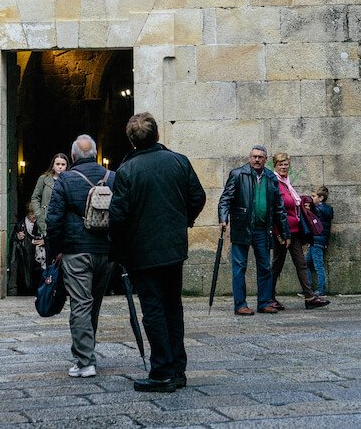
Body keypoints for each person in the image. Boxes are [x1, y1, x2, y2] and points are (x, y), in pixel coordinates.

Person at [109, 112, 206, 393]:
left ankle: (162, 371)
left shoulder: (126, 171)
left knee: (153, 310)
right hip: (173, 248)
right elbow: (198, 197)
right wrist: (182, 221)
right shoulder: (179, 161)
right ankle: (177, 370)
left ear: (131, 140)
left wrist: (119, 248)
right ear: (158, 135)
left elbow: (118, 215)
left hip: (142, 253)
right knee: (173, 307)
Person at [46, 134, 115, 379]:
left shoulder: (65, 179)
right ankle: (86, 352)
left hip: (76, 251)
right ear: (95, 154)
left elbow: (54, 220)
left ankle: (85, 361)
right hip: (106, 252)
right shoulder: (112, 177)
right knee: (93, 304)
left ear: (73, 156)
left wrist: (54, 252)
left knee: (81, 304)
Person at [218, 145, 290, 315]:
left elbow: (279, 207)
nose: (257, 159)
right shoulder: (238, 174)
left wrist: (285, 232)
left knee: (265, 267)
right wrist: (223, 218)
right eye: (254, 156)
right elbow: (225, 199)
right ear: (249, 158)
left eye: (260, 157)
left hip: (262, 230)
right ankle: (240, 305)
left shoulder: (271, 177)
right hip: (242, 228)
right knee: (239, 267)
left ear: (266, 160)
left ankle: (264, 302)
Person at [270, 154, 329, 310]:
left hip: (294, 230)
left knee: (301, 264)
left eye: (286, 164)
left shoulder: (286, 182)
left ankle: (310, 298)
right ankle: (268, 297)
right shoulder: (274, 182)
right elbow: (273, 210)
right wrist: (279, 233)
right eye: (280, 164)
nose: (284, 167)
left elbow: (292, 204)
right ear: (275, 165)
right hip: (282, 232)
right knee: (277, 265)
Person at [8, 203, 46, 295]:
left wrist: (45, 241)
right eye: (31, 214)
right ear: (27, 214)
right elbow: (13, 242)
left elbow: (50, 236)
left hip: (40, 259)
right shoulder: (21, 225)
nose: (34, 216)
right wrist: (17, 236)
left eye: (35, 214)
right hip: (26, 258)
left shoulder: (42, 223)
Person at [30, 153, 69, 236]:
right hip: (46, 218)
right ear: (53, 166)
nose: (60, 167)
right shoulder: (44, 179)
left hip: (64, 221)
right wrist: (39, 214)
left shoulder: (70, 180)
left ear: (66, 166)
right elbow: (35, 197)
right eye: (57, 164)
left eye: (63, 164)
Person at [306, 185, 334, 300]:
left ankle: (321, 291)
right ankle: (308, 290)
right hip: (318, 241)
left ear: (321, 198)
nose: (311, 198)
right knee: (306, 264)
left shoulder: (317, 209)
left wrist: (308, 209)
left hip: (316, 241)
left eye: (313, 196)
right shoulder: (327, 209)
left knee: (318, 266)